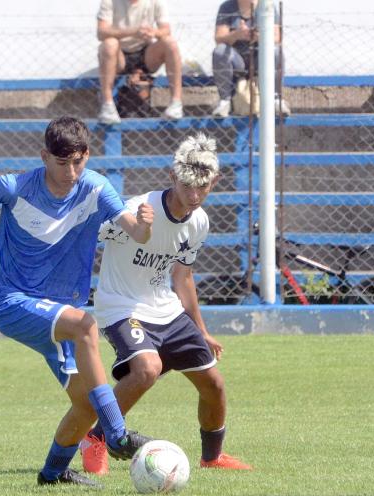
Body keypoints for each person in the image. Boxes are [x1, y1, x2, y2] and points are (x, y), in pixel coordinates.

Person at [0, 116, 156, 488]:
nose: (71, 172)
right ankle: (117, 434)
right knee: (86, 326)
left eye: (78, 162)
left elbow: (135, 231)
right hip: (13, 303)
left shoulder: (96, 189)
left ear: (88, 156)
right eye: (62, 162)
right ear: (44, 156)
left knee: (84, 405)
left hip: (57, 311)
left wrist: (145, 226)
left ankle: (53, 474)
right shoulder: (16, 187)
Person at [78, 133, 253, 475]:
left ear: (214, 182)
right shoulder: (138, 210)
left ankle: (213, 457)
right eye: (187, 186)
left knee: (214, 384)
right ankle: (96, 440)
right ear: (171, 176)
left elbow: (183, 277)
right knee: (147, 369)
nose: (194, 195)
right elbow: (87, 237)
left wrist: (202, 331)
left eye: (203, 188)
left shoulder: (199, 222)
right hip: (121, 307)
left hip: (167, 311)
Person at [97, 0, 183, 124]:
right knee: (109, 44)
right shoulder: (109, 1)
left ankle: (176, 103)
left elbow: (166, 30)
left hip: (146, 53)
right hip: (118, 55)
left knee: (170, 43)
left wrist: (154, 32)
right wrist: (133, 31)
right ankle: (107, 105)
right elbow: (101, 32)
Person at [211, 0, 289, 118]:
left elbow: (277, 37)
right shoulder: (227, 7)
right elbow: (219, 39)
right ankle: (225, 101)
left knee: (276, 51)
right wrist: (237, 34)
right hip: (237, 60)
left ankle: (275, 99)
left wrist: (261, 36)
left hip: (261, 58)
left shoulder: (267, 6)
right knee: (220, 51)